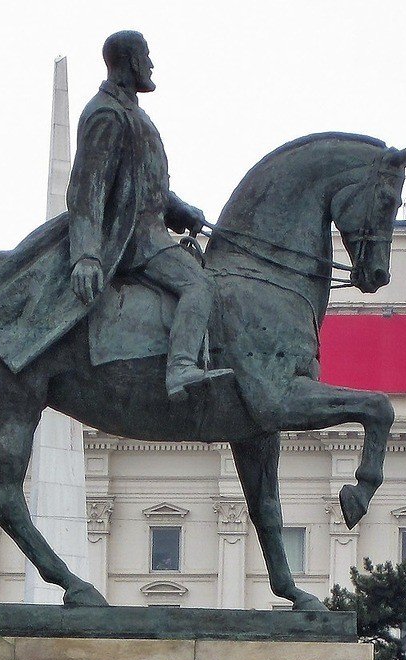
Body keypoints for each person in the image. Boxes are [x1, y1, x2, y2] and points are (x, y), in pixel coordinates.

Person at [68, 31, 230, 401]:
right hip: (132, 240)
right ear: (128, 62)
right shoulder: (105, 114)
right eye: (146, 55)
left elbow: (143, 185)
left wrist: (178, 209)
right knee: (198, 285)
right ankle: (181, 368)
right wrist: (87, 254)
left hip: (153, 231)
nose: (152, 63)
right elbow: (85, 191)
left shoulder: (133, 114)